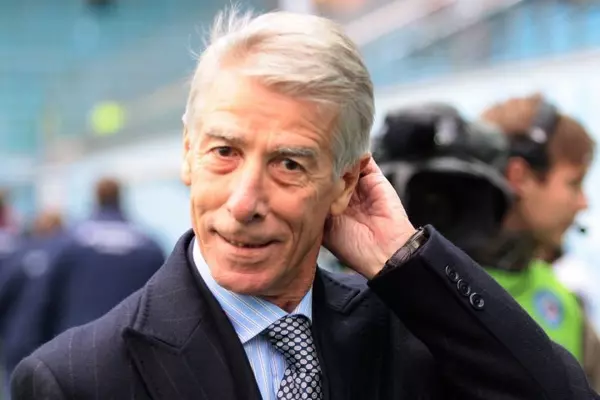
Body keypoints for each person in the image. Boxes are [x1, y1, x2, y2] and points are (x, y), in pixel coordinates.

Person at [11, 9, 599, 400]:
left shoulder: (410, 333)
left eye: (289, 164)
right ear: (188, 153)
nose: (244, 202)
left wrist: (408, 258)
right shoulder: (78, 379)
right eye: (224, 152)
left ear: (346, 183)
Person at [478, 94, 600, 390]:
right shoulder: (438, 291)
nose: (583, 203)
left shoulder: (564, 298)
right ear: (519, 176)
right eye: (574, 183)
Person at [4, 178, 165, 382]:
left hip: (75, 358)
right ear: (119, 198)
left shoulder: (69, 242)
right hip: (131, 360)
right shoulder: (149, 245)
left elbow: (42, 300)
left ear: (96, 198)